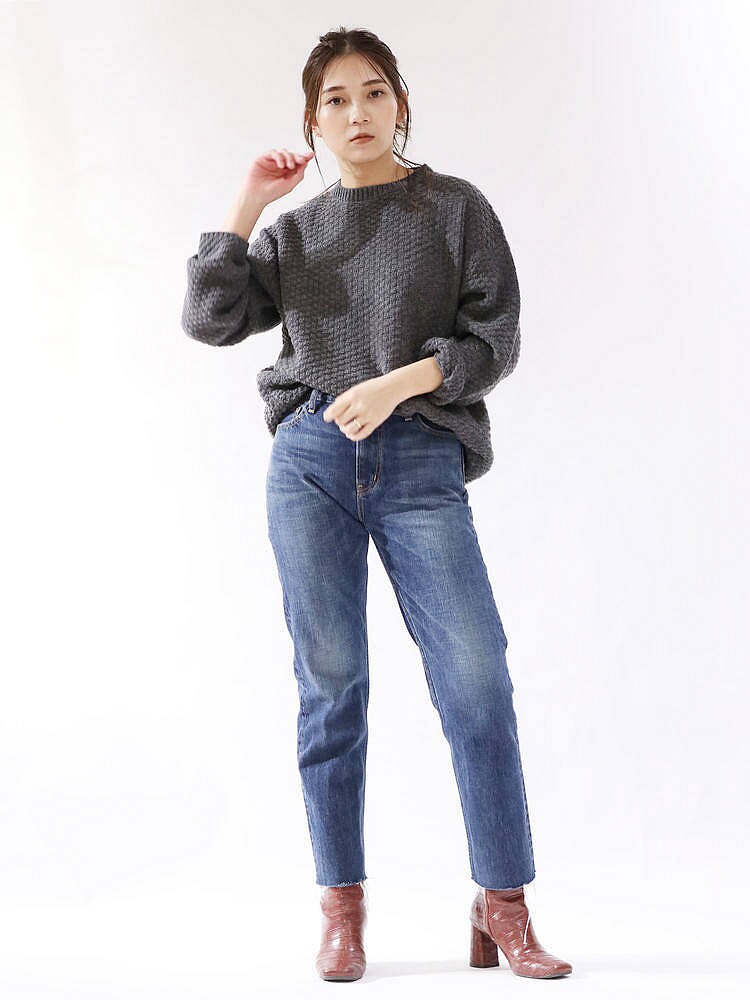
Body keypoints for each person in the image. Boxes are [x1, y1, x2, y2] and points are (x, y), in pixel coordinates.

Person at [181, 25, 572, 984]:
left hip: (421, 460)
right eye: (335, 100)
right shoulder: (295, 232)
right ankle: (342, 909)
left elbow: (496, 337)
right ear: (312, 121)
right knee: (332, 688)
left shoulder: (453, 209)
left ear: (400, 102)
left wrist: (401, 384)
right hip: (310, 463)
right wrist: (247, 206)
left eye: (373, 92)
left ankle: (503, 903)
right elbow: (209, 320)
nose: (356, 113)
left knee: (476, 680)